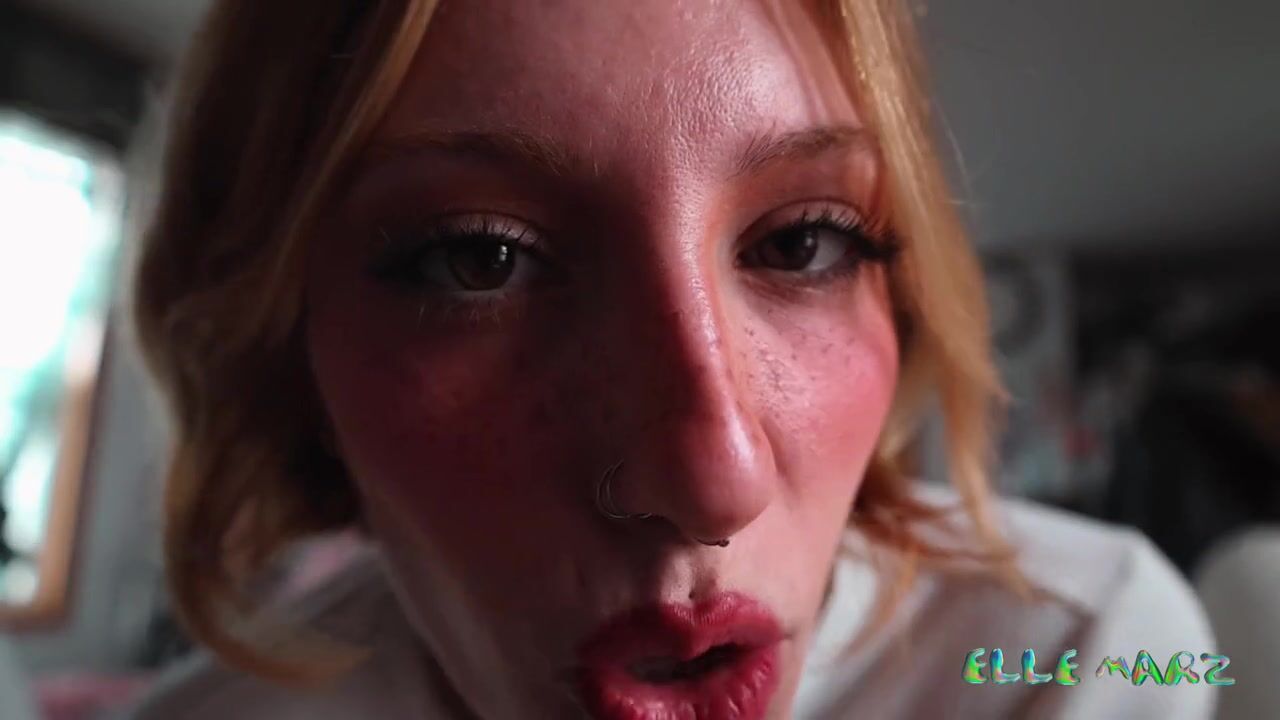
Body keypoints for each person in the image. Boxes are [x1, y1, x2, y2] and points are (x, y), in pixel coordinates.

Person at [124, 1, 1218, 718]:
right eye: (477, 259)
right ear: (287, 357)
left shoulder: (1083, 652)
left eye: (803, 243)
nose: (712, 479)